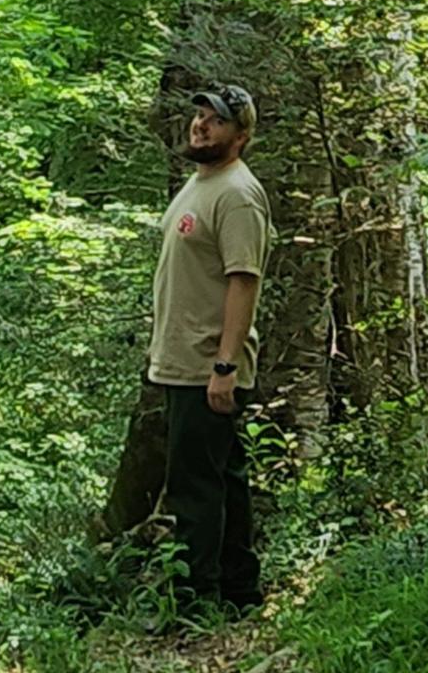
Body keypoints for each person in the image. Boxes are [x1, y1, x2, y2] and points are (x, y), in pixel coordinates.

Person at [142, 84, 270, 613]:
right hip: (182, 360)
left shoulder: (237, 194)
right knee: (223, 479)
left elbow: (245, 281)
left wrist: (224, 365)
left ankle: (194, 601)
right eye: (199, 116)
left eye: (215, 121)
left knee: (193, 488)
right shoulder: (201, 184)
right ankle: (239, 589)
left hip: (204, 365)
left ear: (239, 136)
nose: (200, 125)